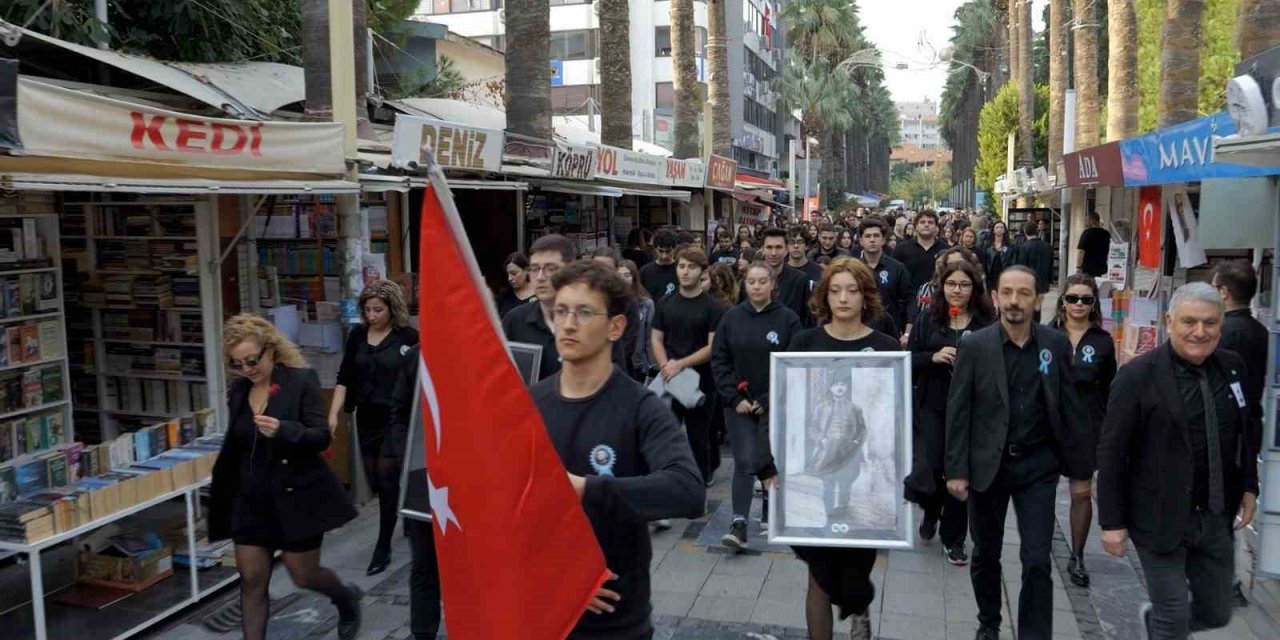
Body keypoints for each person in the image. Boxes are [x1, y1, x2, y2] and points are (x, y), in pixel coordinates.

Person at [534, 260, 706, 639]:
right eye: (560, 311)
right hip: (540, 607)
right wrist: (561, 576)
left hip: (614, 617)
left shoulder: (640, 407)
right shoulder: (529, 405)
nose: (567, 323)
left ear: (616, 326)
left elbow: (688, 490)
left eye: (583, 312)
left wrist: (586, 488)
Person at [1097, 282, 1260, 640]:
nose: (1199, 332)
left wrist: (1250, 486)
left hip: (1216, 516)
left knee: (1218, 613)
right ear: (1170, 322)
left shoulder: (1233, 367)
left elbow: (1246, 430)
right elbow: (1111, 453)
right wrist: (1111, 522)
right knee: (1173, 616)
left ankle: (1155, 624)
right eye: (1189, 321)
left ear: (1221, 324)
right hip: (1159, 517)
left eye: (1209, 323)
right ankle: (1163, 626)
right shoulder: (1138, 376)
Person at [945, 266, 1092, 640]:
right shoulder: (975, 345)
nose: (1014, 301)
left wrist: (1080, 473)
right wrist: (956, 470)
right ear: (995, 297)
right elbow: (958, 412)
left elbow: (1070, 408)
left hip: (1037, 467)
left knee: (1038, 559)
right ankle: (989, 623)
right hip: (987, 467)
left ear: (1038, 299)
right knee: (986, 553)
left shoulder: (1055, 344)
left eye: (1023, 293)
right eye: (1007, 292)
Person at [210, 315, 361, 640]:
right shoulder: (239, 391)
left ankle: (345, 598)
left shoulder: (301, 380)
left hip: (295, 498)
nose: (247, 369)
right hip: (251, 501)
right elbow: (238, 443)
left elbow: (320, 436)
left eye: (252, 360)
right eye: (237, 364)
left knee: (303, 575)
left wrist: (283, 430)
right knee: (251, 580)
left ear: (271, 350)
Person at [780, 258, 900, 640]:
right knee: (817, 577)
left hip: (858, 467)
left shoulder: (885, 347)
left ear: (865, 297)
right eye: (835, 290)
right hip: (816, 466)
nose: (843, 298)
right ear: (824, 296)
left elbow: (891, 416)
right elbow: (788, 406)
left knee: (854, 573)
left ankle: (858, 612)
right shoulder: (804, 343)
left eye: (852, 290)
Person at [906, 261, 994, 567]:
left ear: (974, 289)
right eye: (951, 284)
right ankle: (931, 508)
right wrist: (933, 356)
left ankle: (954, 538)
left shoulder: (985, 323)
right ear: (942, 287)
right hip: (933, 404)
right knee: (931, 466)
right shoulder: (927, 319)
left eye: (964, 285)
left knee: (958, 472)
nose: (957, 290)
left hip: (970, 410)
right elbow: (909, 360)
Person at [710, 261, 803, 551]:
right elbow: (720, 359)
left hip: (775, 403)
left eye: (763, 281)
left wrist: (769, 399)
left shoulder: (788, 319)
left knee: (772, 458)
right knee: (744, 460)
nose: (757, 286)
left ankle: (771, 514)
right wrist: (734, 398)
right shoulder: (731, 317)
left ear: (773, 284)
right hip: (739, 405)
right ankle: (739, 523)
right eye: (752, 281)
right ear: (744, 284)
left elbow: (793, 362)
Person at [329, 280, 419, 576]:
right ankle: (401, 514)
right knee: (378, 483)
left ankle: (383, 546)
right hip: (365, 417)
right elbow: (344, 376)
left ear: (392, 309)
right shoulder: (357, 335)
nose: (372, 315)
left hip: (395, 419)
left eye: (378, 309)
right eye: (367, 309)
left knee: (387, 478)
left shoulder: (409, 337)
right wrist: (333, 415)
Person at [1049, 274, 1116, 588]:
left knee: (1080, 492)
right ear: (1062, 301)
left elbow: (1109, 389)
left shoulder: (1102, 341)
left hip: (1086, 424)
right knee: (1040, 490)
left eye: (1085, 299)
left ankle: (1077, 555)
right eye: (1072, 298)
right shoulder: (1046, 335)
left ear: (1094, 304)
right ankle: (1037, 550)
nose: (1078, 304)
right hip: (1047, 424)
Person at [1208, 261, 1268, 608]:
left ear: (1224, 292)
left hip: (1223, 430)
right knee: (1231, 504)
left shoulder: (1222, 332)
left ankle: (1222, 580)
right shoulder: (1260, 331)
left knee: (1216, 505)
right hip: (1250, 426)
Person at [652, 247, 728, 484]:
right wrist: (665, 366)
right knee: (666, 437)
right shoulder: (665, 303)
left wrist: (680, 364)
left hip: (702, 383)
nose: (685, 272)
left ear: (703, 272)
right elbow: (656, 338)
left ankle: (700, 484)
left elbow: (712, 346)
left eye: (691, 267)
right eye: (681, 266)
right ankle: (669, 482)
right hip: (669, 381)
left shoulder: (713, 307)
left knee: (699, 439)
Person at [386, 345, 441, 640]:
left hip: (472, 483)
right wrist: (410, 458)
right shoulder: (418, 355)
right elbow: (399, 412)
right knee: (423, 564)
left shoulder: (486, 350)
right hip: (423, 479)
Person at [502, 234, 575, 381]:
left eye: (550, 268)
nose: (540, 277)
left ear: (572, 270)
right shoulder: (514, 321)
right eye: (535, 269)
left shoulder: (594, 320)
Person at [856, 217, 912, 336]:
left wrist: (907, 332)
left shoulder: (897, 268)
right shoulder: (853, 269)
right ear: (861, 241)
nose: (872, 240)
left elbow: (909, 299)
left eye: (876, 236)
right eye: (868, 236)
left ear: (883, 240)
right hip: (859, 329)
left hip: (891, 330)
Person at [759, 227, 814, 325]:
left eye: (778, 247)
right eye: (769, 247)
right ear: (762, 249)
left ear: (786, 250)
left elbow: (807, 318)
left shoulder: (800, 280)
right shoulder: (752, 280)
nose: (774, 253)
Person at [893, 210, 949, 299]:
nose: (926, 225)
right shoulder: (902, 249)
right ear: (916, 226)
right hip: (909, 300)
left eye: (930, 222)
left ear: (936, 227)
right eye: (922, 222)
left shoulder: (946, 250)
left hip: (939, 299)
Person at [619, 259, 656, 380]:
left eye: (627, 275)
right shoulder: (611, 303)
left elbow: (649, 337)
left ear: (634, 277)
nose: (624, 279)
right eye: (620, 275)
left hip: (638, 363)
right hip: (618, 361)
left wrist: (652, 365)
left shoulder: (646, 304)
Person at [1011, 220, 1054, 297]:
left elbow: (1022, 266)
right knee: (1038, 304)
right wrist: (1050, 280)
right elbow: (1051, 266)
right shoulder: (1048, 247)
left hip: (1028, 281)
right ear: (1037, 230)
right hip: (1043, 281)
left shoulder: (1023, 247)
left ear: (1025, 231)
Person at [640, 228, 680, 300]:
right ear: (655, 249)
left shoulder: (680, 270)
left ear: (675, 249)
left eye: (668, 251)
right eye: (660, 251)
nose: (664, 256)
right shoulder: (645, 271)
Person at [495, 252, 536, 317]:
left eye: (514, 273)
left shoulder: (539, 293)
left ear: (526, 270)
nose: (509, 278)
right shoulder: (504, 295)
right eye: (508, 274)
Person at [1075, 212, 1112, 278]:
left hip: (1088, 268)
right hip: (1101, 267)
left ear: (1091, 220)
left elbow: (1081, 251)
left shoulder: (1087, 233)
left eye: (1087, 220)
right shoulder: (1106, 234)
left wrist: (1078, 267)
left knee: (1087, 286)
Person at [982, 221, 1012, 292]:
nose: (999, 229)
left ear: (1004, 230)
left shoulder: (1009, 245)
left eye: (1001, 227)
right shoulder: (987, 245)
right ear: (993, 230)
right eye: (997, 227)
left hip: (1005, 275)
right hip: (990, 276)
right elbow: (984, 261)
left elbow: (1012, 260)